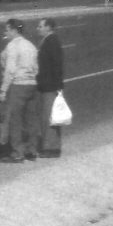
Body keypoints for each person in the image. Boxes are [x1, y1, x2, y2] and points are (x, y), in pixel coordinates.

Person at [0, 17, 41, 163]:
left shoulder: (12, 46)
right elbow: (36, 68)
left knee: (15, 120)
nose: (5, 32)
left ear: (14, 30)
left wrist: (4, 90)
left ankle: (17, 153)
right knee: (31, 120)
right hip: (32, 85)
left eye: (7, 29)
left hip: (19, 85)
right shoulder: (31, 45)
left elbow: (10, 70)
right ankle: (32, 150)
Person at [36, 17, 65, 158]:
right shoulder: (48, 40)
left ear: (48, 27)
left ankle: (51, 149)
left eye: (41, 26)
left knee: (50, 118)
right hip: (47, 86)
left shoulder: (51, 41)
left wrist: (58, 87)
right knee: (48, 117)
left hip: (50, 87)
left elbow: (57, 65)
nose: (38, 28)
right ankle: (51, 146)